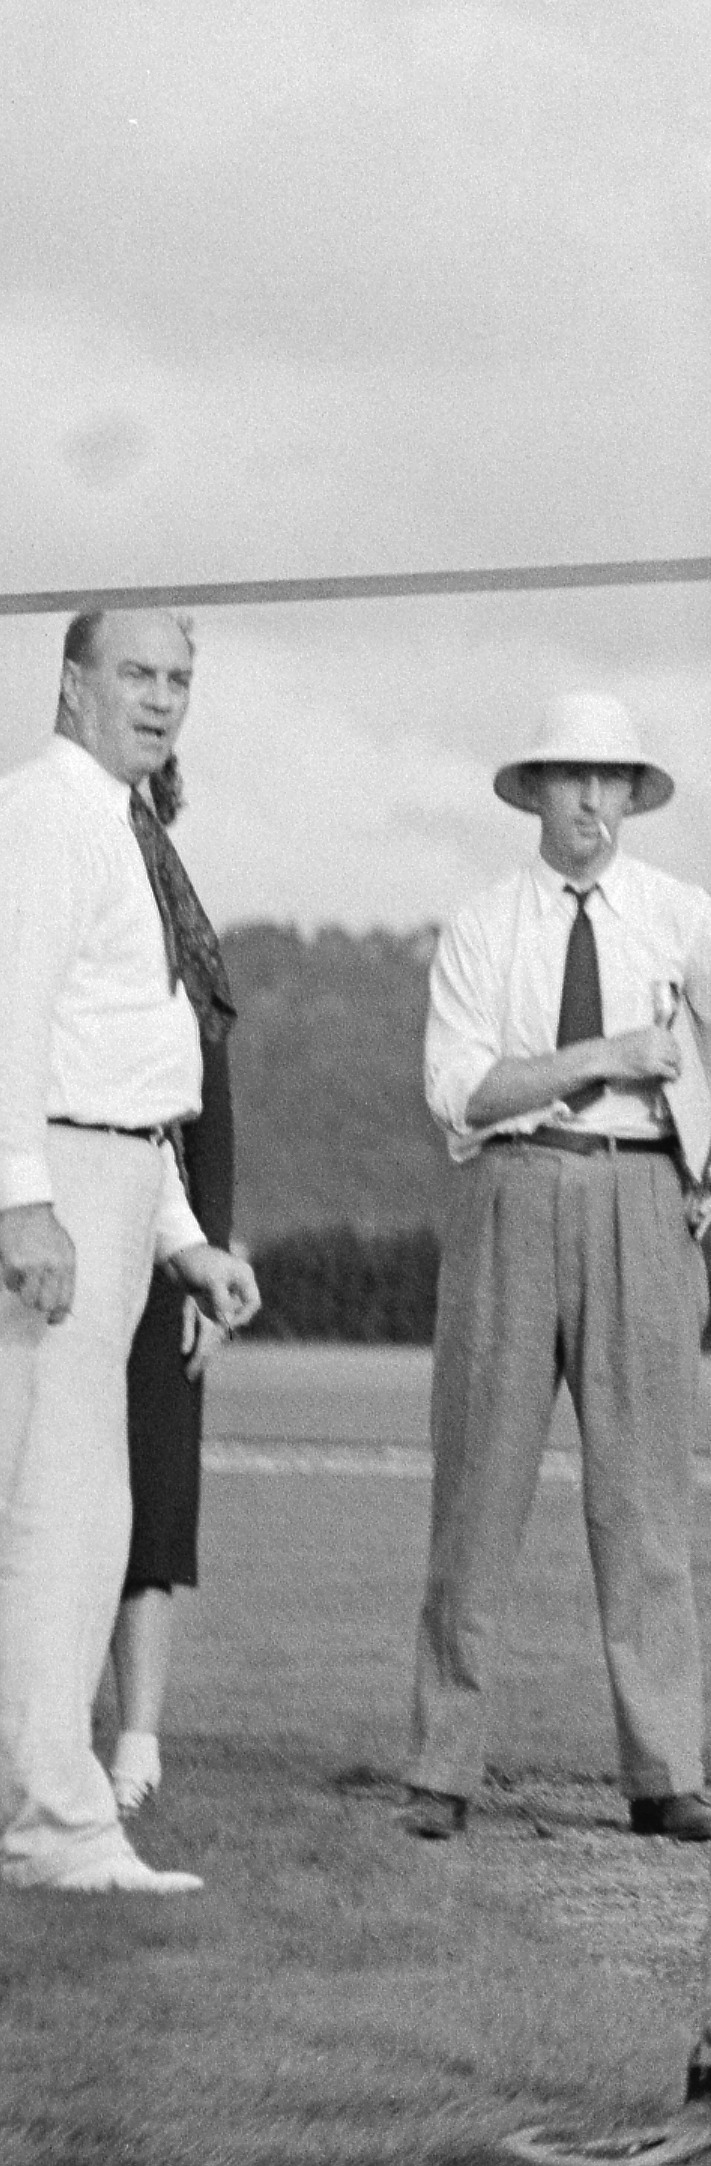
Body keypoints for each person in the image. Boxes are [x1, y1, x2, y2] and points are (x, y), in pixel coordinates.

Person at [402, 693, 711, 1848]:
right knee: (478, 1494)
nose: (594, 802)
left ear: (632, 793)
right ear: (535, 790)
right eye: (572, 779)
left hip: (646, 1201)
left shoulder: (680, 914)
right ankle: (443, 1768)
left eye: (614, 780)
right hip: (509, 1192)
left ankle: (664, 1774)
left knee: (646, 1500)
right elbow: (460, 1088)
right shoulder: (482, 922)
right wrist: (599, 1055)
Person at [0, 610, 264, 1896]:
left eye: (179, 678)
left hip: (109, 1170)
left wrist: (182, 1239)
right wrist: (20, 1200)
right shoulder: (46, 811)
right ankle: (53, 1821)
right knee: (44, 1516)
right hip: (45, 1174)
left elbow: (133, 1060)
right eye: (136, 674)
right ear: (72, 680)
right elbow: (11, 1011)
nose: (160, 699)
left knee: (85, 1513)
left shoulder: (126, 825)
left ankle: (53, 1814)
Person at [104, 748, 246, 1819]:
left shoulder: (193, 959)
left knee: (155, 1503)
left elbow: (215, 1130)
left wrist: (206, 1268)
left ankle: (137, 1741)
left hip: (171, 1256)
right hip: (66, 1228)